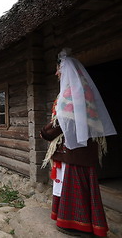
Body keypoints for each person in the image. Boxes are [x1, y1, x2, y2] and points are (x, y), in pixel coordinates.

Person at [40, 49, 116, 237]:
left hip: (73, 149)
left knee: (74, 185)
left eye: (58, 69)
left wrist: (45, 133)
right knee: (79, 185)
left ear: (66, 70)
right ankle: (83, 223)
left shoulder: (70, 92)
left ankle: (76, 225)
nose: (56, 73)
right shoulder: (83, 90)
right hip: (83, 148)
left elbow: (63, 121)